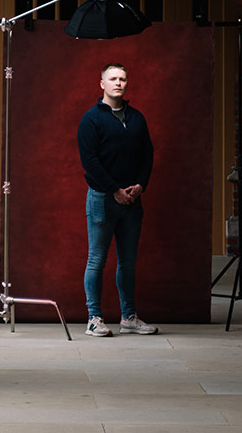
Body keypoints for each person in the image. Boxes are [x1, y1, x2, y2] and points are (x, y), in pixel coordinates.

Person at [76, 62, 157, 337]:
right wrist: (114, 190)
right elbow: (90, 162)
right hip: (102, 199)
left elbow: (148, 154)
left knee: (128, 262)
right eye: (113, 78)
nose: (118, 83)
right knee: (96, 260)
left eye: (122, 78)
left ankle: (129, 317)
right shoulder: (91, 119)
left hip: (133, 199)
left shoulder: (137, 118)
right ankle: (93, 318)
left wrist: (140, 185)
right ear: (102, 84)